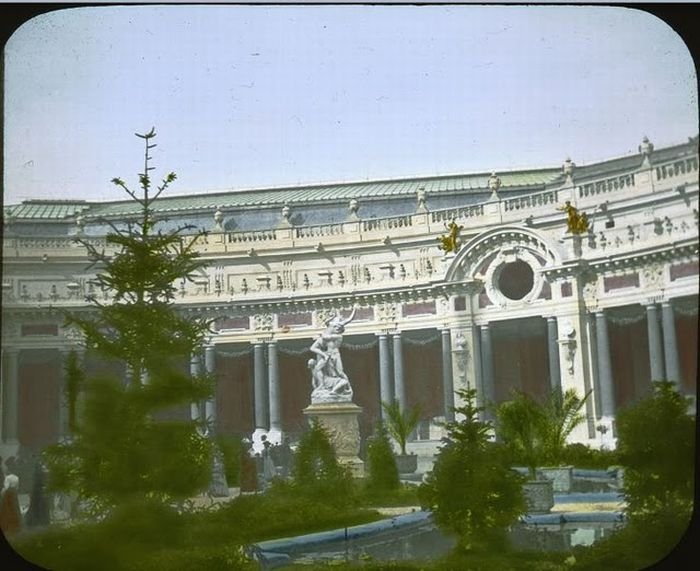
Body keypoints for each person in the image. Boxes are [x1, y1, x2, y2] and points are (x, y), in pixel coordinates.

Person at [308, 306, 357, 403]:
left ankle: (348, 388)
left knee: (340, 373)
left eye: (339, 327)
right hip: (328, 356)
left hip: (335, 356)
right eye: (336, 326)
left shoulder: (338, 336)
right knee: (320, 371)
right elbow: (313, 348)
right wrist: (323, 354)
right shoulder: (327, 336)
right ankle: (322, 387)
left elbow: (325, 336)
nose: (337, 328)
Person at [25, 461, 50, 528]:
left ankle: (39, 521)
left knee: (38, 506)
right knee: (40, 506)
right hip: (39, 492)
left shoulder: (37, 474)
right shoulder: (41, 474)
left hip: (38, 492)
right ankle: (42, 521)